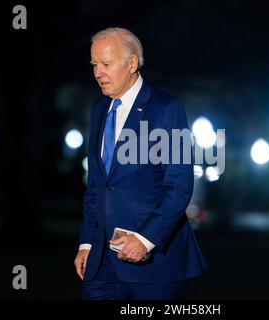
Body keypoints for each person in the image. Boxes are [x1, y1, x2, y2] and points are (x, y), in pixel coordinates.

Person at [74, 27, 208, 300]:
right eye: (94, 65)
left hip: (155, 266)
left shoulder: (166, 109)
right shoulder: (99, 109)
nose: (98, 72)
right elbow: (97, 187)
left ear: (132, 63)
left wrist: (145, 239)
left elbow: (179, 186)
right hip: (100, 264)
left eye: (106, 64)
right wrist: (87, 243)